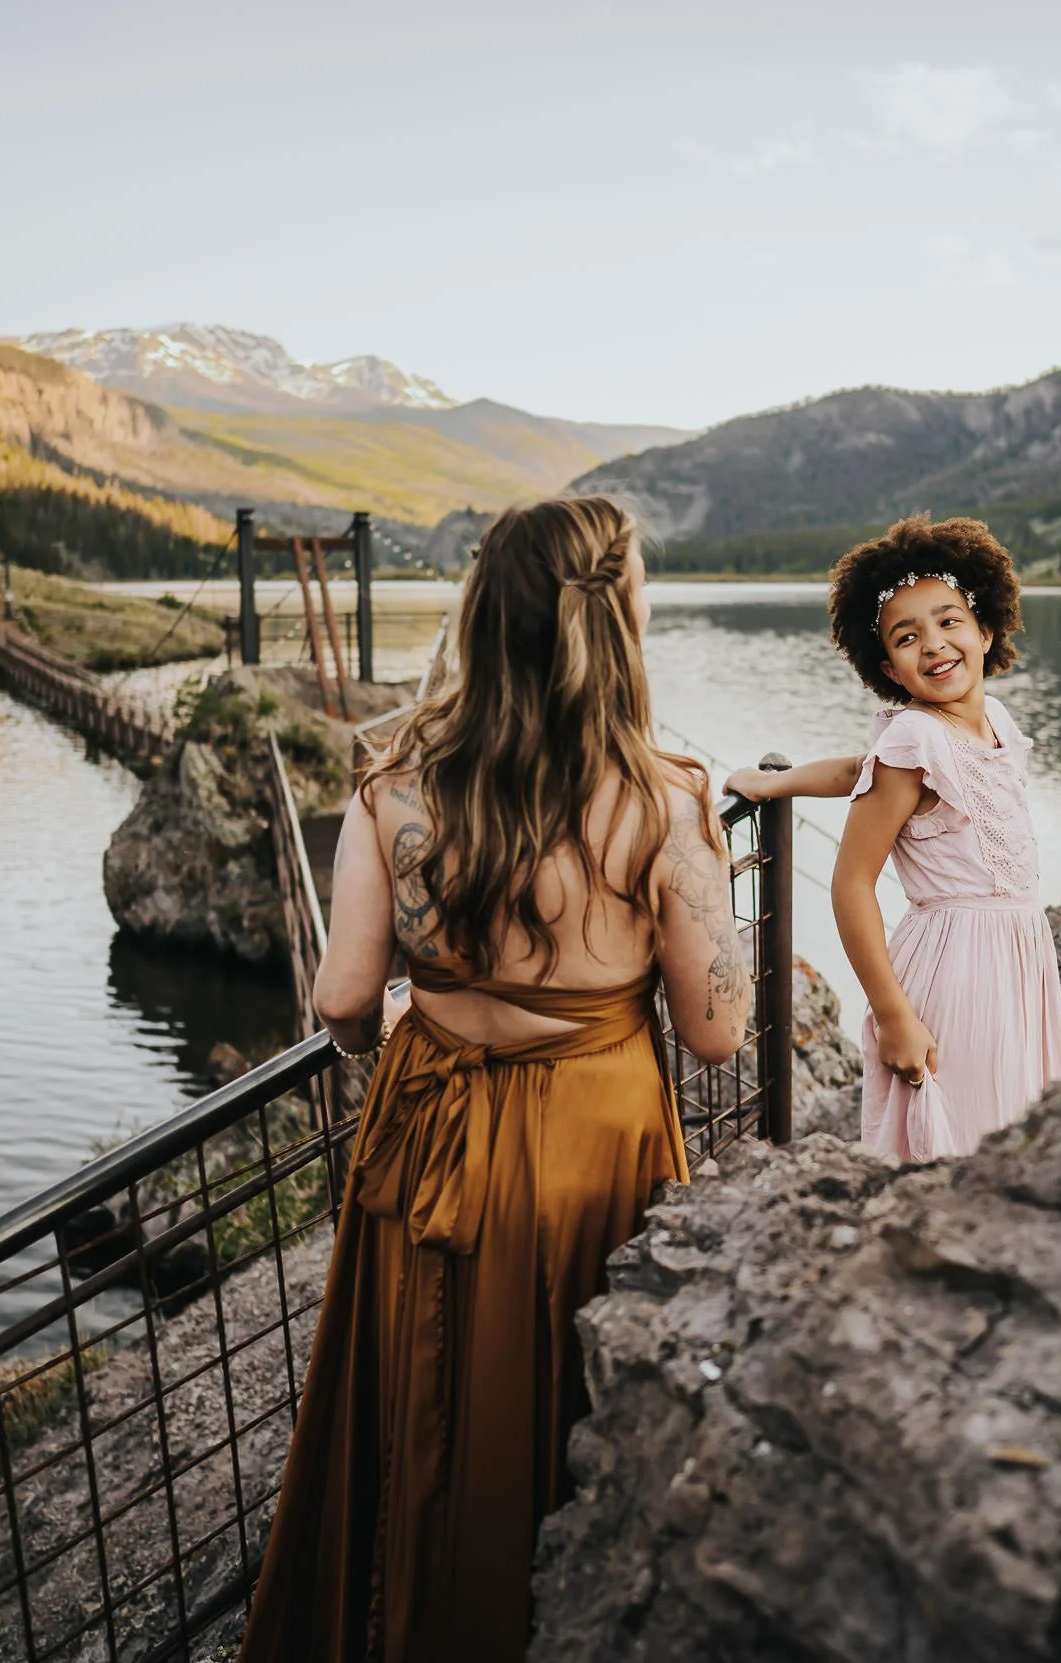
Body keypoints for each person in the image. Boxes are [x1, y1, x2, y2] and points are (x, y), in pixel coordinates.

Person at [240, 496, 745, 1663]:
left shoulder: (393, 784)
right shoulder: (665, 798)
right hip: (591, 1131)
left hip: (425, 1124)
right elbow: (717, 1031)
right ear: (617, 616)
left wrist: (397, 1046)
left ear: (483, 616)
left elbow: (341, 1002)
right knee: (559, 1403)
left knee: (418, 1406)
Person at [730, 514, 1061, 1160]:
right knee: (960, 1149)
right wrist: (893, 1015)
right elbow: (852, 882)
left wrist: (783, 782)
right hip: (956, 971)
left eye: (949, 622)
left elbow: (860, 769)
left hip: (1018, 963)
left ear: (986, 629)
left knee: (1013, 1143)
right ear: (888, 666)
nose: (935, 644)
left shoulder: (991, 718)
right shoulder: (913, 736)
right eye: (908, 636)